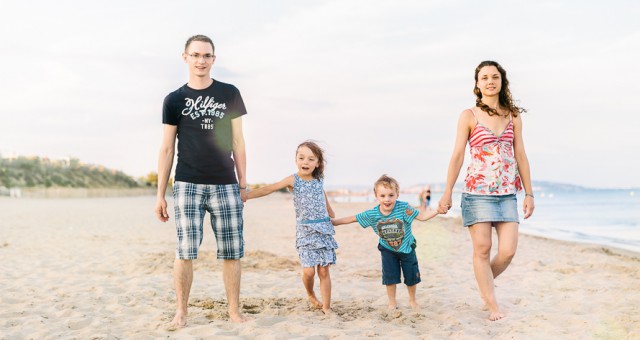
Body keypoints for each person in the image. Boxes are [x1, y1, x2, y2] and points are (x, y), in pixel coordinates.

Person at [154, 34, 250, 327]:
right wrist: (160, 194)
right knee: (185, 251)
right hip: (187, 183)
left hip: (225, 182)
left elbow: (238, 141)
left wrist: (243, 184)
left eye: (206, 56)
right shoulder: (174, 99)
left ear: (213, 60)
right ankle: (181, 312)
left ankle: (234, 312)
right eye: (195, 55)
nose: (201, 61)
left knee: (232, 251)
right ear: (185, 58)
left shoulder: (229, 93)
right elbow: (167, 148)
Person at [438, 60, 535, 321]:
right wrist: (447, 191)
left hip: (506, 194)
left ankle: (485, 286)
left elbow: (521, 155)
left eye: (495, 77)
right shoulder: (468, 116)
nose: (490, 81)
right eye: (484, 78)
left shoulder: (513, 114)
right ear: (477, 84)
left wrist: (529, 193)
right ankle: (493, 305)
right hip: (477, 193)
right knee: (482, 249)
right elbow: (458, 155)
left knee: (507, 251)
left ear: (502, 82)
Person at [246, 141, 338, 315]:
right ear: (296, 160)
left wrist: (330, 209)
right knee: (309, 271)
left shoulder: (319, 179)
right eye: (302, 157)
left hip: (324, 229)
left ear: (317, 162)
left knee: (324, 270)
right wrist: (247, 196)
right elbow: (270, 188)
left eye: (311, 159)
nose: (306, 162)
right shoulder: (292, 180)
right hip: (305, 231)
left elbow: (321, 192)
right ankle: (310, 293)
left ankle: (326, 307)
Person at [332, 175, 439, 310]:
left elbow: (422, 217)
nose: (387, 199)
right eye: (382, 196)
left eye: (391, 195)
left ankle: (412, 301)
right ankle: (392, 303)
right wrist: (334, 222)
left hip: (407, 248)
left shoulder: (404, 208)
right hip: (387, 249)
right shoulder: (373, 214)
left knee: (411, 276)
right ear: (376, 196)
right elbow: (353, 218)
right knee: (390, 277)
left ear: (397, 195)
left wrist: (437, 211)